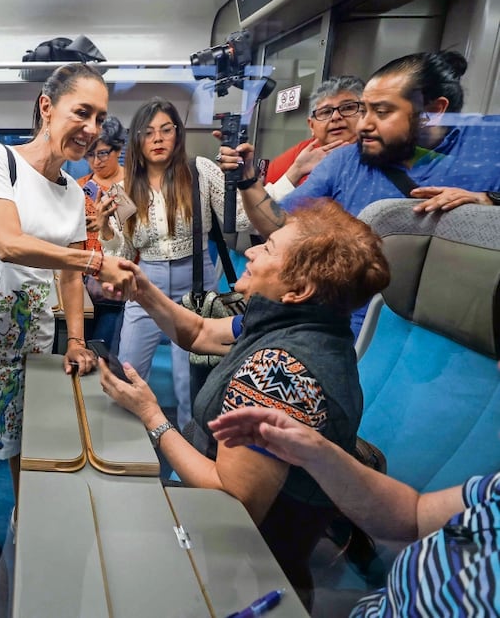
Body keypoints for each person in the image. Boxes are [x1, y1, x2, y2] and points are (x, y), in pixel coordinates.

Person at [97, 199, 391, 607]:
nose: (250, 251)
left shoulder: (278, 372)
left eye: (268, 248)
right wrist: (143, 289)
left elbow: (233, 501)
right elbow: (199, 332)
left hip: (246, 572)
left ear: (298, 290)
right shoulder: (300, 322)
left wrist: (151, 416)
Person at [0, 63, 136, 534]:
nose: (90, 129)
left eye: (99, 118)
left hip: (34, 331)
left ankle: (26, 511)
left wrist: (77, 341)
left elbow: (65, 273)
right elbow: (8, 241)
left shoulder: (71, 194)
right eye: (80, 112)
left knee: (26, 427)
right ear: (47, 107)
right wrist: (92, 262)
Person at [225, 50, 500, 334]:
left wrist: (489, 201)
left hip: (460, 334)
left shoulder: (489, 145)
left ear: (434, 111)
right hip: (349, 327)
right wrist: (247, 179)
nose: (365, 124)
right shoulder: (346, 160)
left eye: (381, 112)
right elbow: (281, 224)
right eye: (365, 109)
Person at [209, 396, 500, 616]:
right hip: (382, 601)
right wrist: (317, 454)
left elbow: (240, 497)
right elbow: (415, 514)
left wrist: (161, 424)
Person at [96, 97, 252, 427]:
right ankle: (123, 453)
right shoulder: (123, 189)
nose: (157, 138)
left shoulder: (200, 171)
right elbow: (122, 254)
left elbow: (240, 219)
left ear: (177, 135)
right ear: (137, 140)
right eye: (148, 132)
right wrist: (106, 229)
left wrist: (248, 178)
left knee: (191, 386)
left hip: (195, 284)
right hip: (145, 284)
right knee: (128, 372)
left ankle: (189, 460)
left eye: (166, 130)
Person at [264, 75, 365, 198]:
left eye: (348, 108)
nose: (336, 117)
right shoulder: (288, 164)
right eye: (326, 112)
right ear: (311, 126)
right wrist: (297, 171)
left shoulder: (384, 153)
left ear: (366, 113)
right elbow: (263, 212)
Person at [78, 115, 128, 352]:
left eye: (102, 153)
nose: (95, 161)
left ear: (118, 149)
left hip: (118, 280)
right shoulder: (79, 187)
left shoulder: (133, 185)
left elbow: (138, 237)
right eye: (89, 154)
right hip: (84, 279)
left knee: (107, 353)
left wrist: (106, 227)